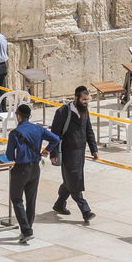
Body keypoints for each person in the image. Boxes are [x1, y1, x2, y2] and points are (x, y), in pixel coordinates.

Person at [5, 103, 60, 244]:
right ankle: (27, 228)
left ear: (18, 115)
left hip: (21, 169)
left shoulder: (14, 133)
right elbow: (55, 138)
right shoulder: (38, 128)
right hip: (35, 168)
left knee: (16, 199)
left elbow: (10, 156)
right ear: (29, 116)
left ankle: (27, 230)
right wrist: (47, 149)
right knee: (31, 200)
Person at [50, 86, 98, 223]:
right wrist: (53, 152)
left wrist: (94, 149)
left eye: (87, 100)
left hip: (80, 153)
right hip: (68, 153)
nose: (86, 102)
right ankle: (85, 210)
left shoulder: (84, 111)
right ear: (76, 97)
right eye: (84, 99)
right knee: (74, 181)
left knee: (69, 181)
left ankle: (59, 204)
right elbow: (54, 134)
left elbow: (89, 130)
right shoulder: (62, 112)